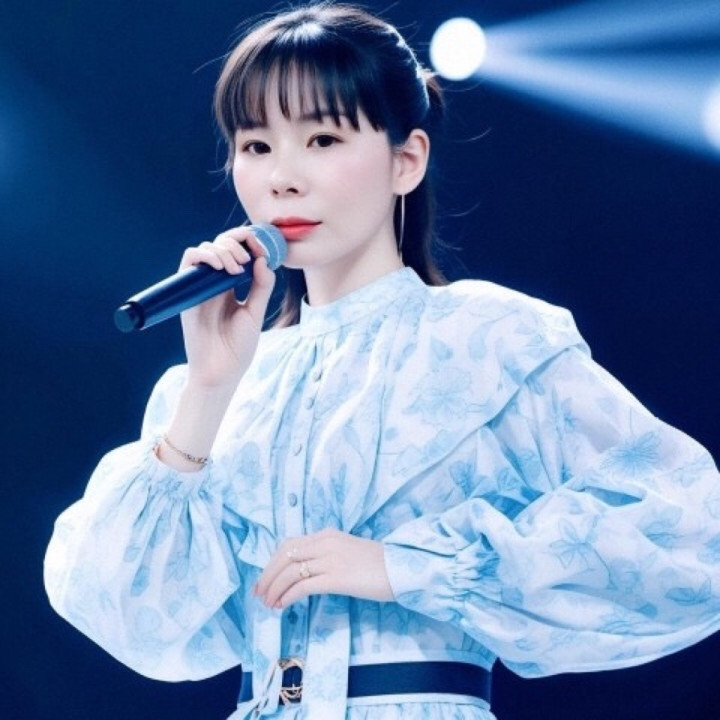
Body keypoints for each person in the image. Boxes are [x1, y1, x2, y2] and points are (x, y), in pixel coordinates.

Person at [44, 3, 720, 720]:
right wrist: (209, 389)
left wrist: (406, 566)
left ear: (407, 160)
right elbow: (120, 613)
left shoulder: (487, 339)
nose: (283, 178)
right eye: (257, 145)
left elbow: (689, 532)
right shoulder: (222, 385)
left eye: (322, 138)